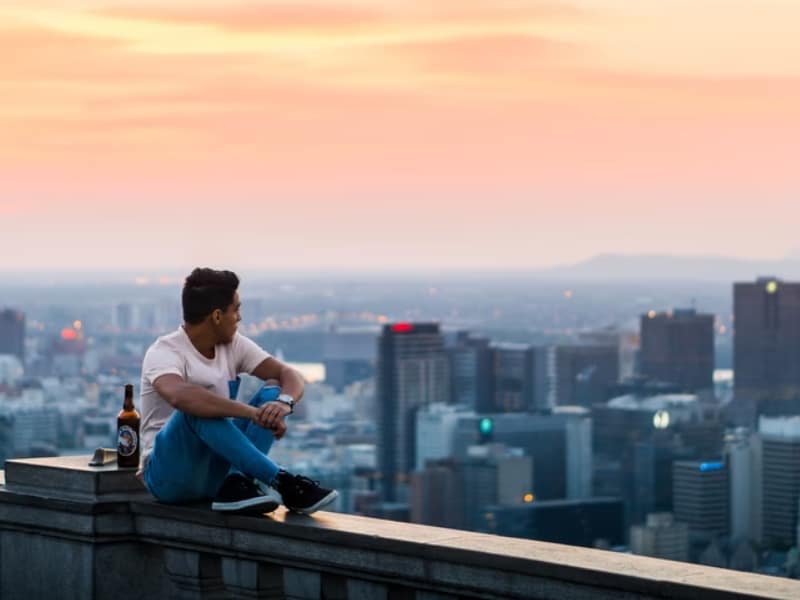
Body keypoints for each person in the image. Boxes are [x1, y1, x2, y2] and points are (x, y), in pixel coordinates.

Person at [138, 267, 338, 515]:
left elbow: (290, 375)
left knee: (273, 391)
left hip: (216, 471)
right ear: (217, 316)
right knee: (195, 407)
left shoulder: (233, 345)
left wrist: (284, 403)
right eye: (237, 309)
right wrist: (252, 414)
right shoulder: (165, 352)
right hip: (169, 477)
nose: (240, 318)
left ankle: (235, 483)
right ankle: (282, 482)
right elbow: (180, 396)